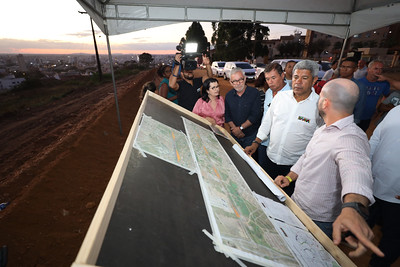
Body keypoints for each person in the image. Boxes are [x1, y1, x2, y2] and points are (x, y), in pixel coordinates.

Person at [274, 79, 384, 259]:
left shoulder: (350, 138)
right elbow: (306, 158)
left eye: (320, 96)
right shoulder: (323, 129)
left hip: (318, 221)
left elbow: (356, 172)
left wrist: (352, 207)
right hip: (297, 205)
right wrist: (290, 177)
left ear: (325, 103)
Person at [244, 60, 321, 196]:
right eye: (296, 77)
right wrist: (256, 143)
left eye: (304, 78)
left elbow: (318, 142)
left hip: (293, 167)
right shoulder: (280, 97)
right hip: (269, 158)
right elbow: (267, 122)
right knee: (264, 192)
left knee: (284, 199)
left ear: (314, 80)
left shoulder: (319, 106)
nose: (298, 82)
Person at [368, 105, 400, 267]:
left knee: (392, 238)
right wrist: (365, 167)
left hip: (396, 196)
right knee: (365, 219)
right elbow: (375, 138)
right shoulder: (395, 110)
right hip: (373, 184)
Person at [257, 63, 292, 172]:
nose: (270, 82)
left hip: (281, 148)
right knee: (263, 174)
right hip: (264, 143)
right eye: (267, 79)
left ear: (282, 76)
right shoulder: (268, 92)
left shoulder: (292, 95)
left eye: (273, 78)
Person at [225, 68, 262, 154]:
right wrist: (235, 129)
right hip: (234, 135)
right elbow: (227, 115)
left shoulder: (254, 93)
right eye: (234, 81)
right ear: (231, 82)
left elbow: (255, 115)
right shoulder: (228, 96)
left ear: (245, 79)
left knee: (250, 161)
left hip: (251, 136)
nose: (238, 83)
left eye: (240, 80)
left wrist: (240, 128)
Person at [357, 61, 390, 131]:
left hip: (368, 116)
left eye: (381, 69)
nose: (379, 71)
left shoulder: (384, 84)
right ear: (368, 69)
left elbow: (386, 95)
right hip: (355, 115)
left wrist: (378, 107)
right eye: (376, 69)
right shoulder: (358, 82)